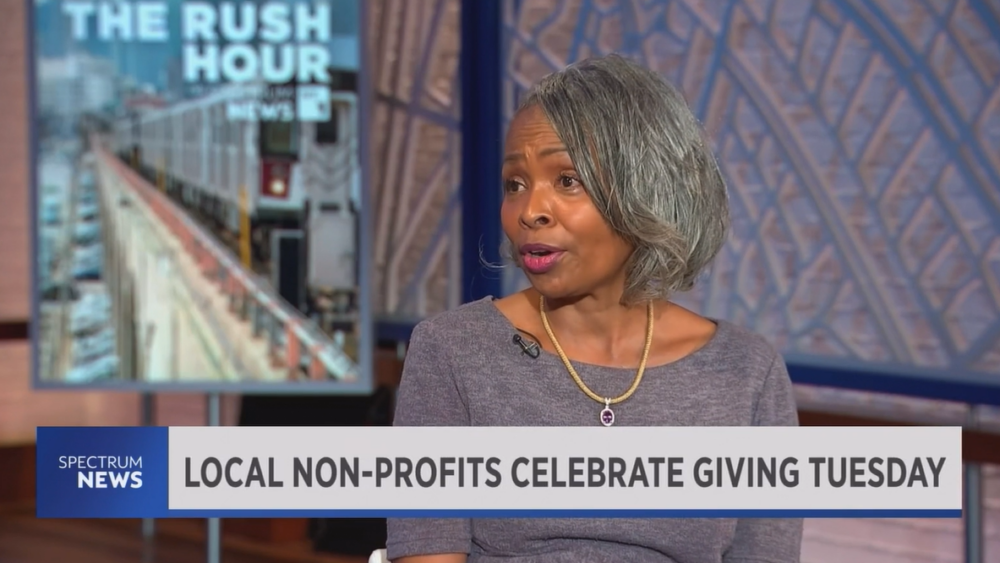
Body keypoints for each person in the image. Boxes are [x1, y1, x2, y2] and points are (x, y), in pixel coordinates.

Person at [386, 54, 802, 563]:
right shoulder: (452, 352)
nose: (530, 211)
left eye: (566, 180)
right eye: (514, 184)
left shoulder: (747, 375)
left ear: (645, 190)